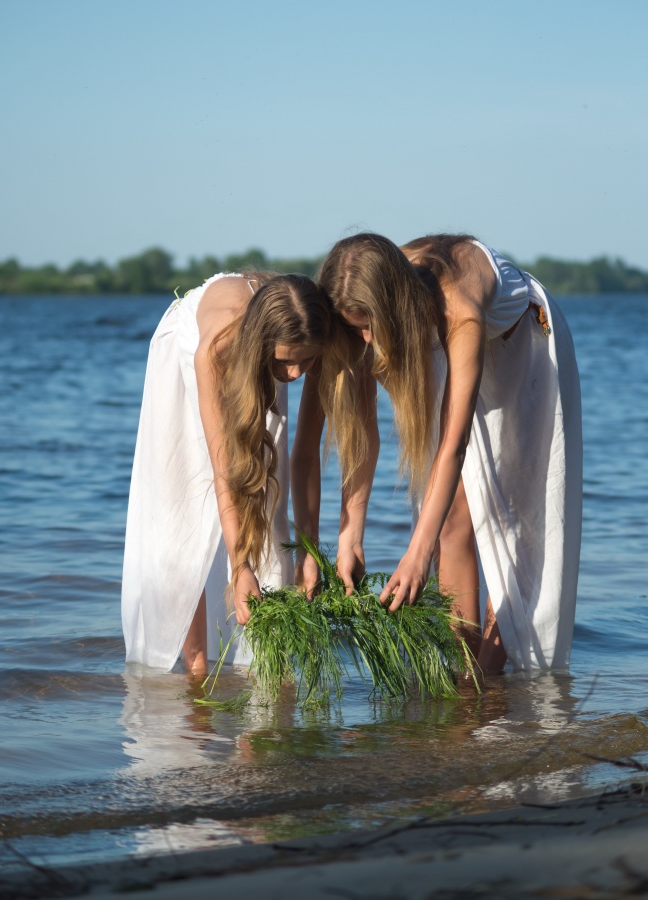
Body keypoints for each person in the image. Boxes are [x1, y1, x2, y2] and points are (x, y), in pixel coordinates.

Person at [292, 233, 582, 674]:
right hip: (440, 343)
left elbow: (454, 444)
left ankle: (489, 676)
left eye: (369, 326)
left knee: (512, 524)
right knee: (451, 518)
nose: (365, 341)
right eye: (354, 330)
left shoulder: (458, 310)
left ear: (393, 307)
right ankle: (459, 673)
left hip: (521, 346)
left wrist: (416, 554)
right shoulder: (359, 312)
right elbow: (359, 433)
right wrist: (349, 536)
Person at [122, 271, 334, 676]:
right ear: (265, 345)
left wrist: (310, 549)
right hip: (188, 355)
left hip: (257, 355)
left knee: (269, 497)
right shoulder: (215, 350)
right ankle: (196, 666)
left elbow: (303, 458)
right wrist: (241, 568)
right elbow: (225, 472)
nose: (295, 374)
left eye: (307, 360)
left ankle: (268, 663)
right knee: (182, 514)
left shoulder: (305, 326)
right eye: (288, 361)